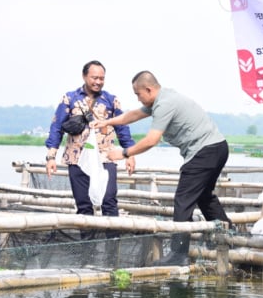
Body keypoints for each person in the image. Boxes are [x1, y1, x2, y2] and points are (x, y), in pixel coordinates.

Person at [93, 70, 232, 266]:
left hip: (205, 151)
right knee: (203, 195)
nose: (138, 98)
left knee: (183, 200)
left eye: (138, 94)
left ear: (148, 89)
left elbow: (152, 140)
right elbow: (133, 115)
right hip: (217, 147)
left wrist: (124, 153)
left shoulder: (164, 104)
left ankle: (178, 254)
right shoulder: (163, 98)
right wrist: (107, 122)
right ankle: (227, 237)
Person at [45, 60, 136, 239]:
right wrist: (51, 157)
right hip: (76, 157)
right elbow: (57, 128)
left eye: (102, 78)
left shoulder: (111, 100)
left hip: (105, 157)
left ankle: (113, 250)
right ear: (84, 76)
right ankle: (88, 251)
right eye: (94, 77)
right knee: (83, 204)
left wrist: (130, 154)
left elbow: (123, 128)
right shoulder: (70, 99)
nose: (98, 82)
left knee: (109, 200)